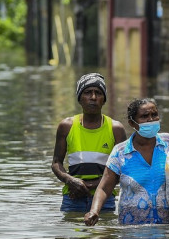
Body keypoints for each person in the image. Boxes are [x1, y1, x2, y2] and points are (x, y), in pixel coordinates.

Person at [84, 98, 169, 225]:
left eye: (154, 115)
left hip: (168, 229)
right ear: (132, 123)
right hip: (131, 230)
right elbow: (104, 188)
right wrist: (94, 211)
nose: (151, 119)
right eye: (144, 116)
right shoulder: (120, 152)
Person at [52, 73, 126, 213]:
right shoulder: (66, 126)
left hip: (104, 198)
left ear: (104, 100)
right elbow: (56, 163)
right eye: (87, 93)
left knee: (104, 227)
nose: (93, 97)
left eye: (98, 93)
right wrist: (70, 181)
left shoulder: (115, 129)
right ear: (80, 98)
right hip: (72, 197)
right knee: (72, 227)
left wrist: (89, 185)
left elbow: (122, 169)